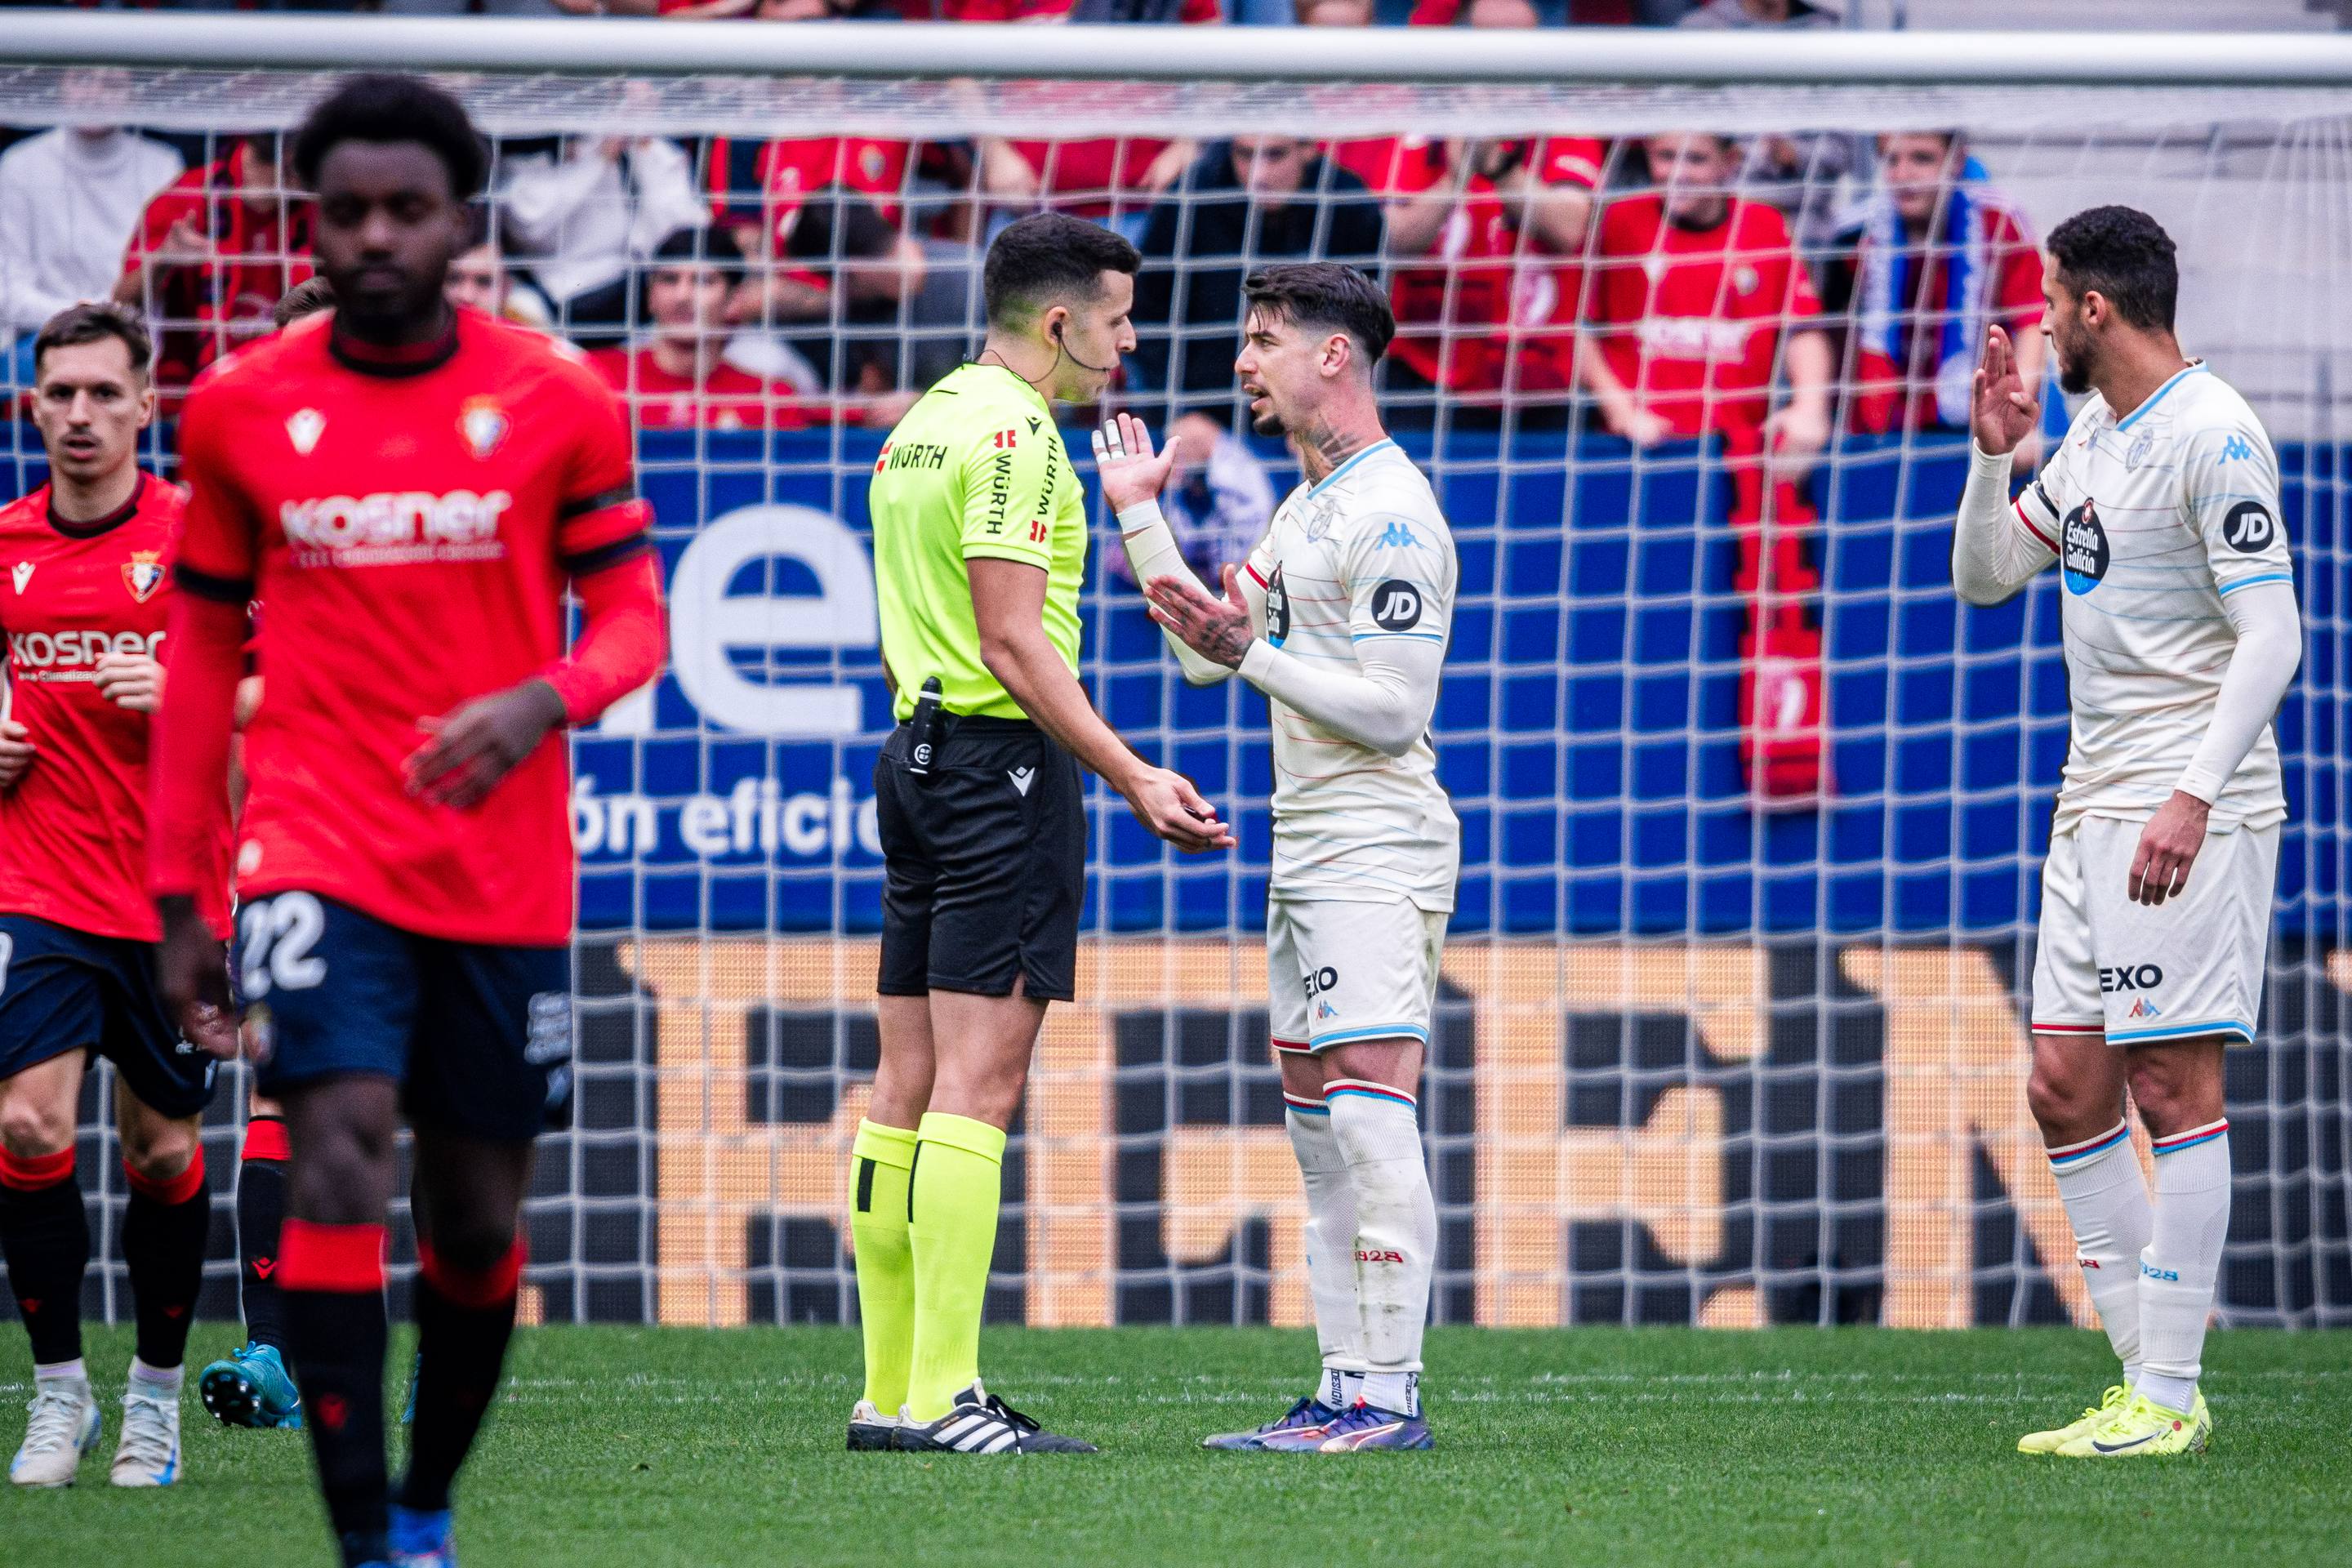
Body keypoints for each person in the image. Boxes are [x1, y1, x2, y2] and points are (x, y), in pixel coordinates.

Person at [148, 74, 666, 1567]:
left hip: (501, 868)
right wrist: (181, 891)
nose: (375, 235)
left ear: (459, 222)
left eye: (407, 209)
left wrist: (541, 700)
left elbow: (636, 617)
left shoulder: (558, 398)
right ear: (311, 225)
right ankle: (366, 1535)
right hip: (314, 843)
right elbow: (198, 657)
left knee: (479, 1218)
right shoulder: (243, 406)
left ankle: (431, 1502)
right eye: (347, 211)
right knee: (337, 1156)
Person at [853, 212, 1232, 1457]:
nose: (1130, 345)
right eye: (1118, 321)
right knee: (981, 1083)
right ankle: (951, 1396)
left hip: (912, 758)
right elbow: (1015, 642)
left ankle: (893, 1394)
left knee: (904, 1085)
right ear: (1060, 322)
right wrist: (1129, 774)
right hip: (994, 768)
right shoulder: (1015, 435)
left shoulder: (930, 418)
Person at [1951, 207, 2300, 1459]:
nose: (2037, 323)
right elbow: (1991, 576)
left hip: (2182, 801)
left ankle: (2167, 1392)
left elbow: (2275, 635)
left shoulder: (2216, 435)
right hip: (2090, 799)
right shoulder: (2098, 430)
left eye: (2047, 301)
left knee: (2168, 1082)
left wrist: (2193, 793)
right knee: (2062, 1085)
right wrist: (1994, 458)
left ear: (2095, 308)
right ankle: (2144, 1379)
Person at [1108, 262, 1458, 1454]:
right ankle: (1343, 1387)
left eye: (1264, 340)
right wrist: (1137, 512)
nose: (1244, 362)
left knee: (1369, 1123)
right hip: (1306, 850)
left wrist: (1247, 653)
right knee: (1319, 1144)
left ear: (1335, 358)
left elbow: (1393, 713)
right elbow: (1209, 653)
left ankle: (1389, 1399)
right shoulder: (1307, 507)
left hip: (1374, 845)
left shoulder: (1390, 513)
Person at [0, 302, 225, 1490]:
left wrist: (191, 690)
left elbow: (287, 688)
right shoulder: (4, 542)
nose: (80, 415)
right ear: (31, 408)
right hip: (34, 882)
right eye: (59, 396)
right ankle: (57, 1394)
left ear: (148, 406)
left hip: (172, 894)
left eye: (103, 393)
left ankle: (153, 1398)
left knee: (163, 1150)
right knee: (27, 1126)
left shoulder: (202, 540)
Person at [193, 277, 336, 1437]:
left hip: (430, 835)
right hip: (296, 838)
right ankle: (275, 1355)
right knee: (281, 1074)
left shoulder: (451, 478)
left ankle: (445, 1350)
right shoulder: (248, 492)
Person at [1824, 131, 2044, 457]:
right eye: (1891, 160)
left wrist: (2014, 408)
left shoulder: (1998, 221)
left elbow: (2032, 325)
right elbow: (1827, 332)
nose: (1903, 175)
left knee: (2025, 452)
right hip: (1875, 427)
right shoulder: (1854, 232)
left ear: (1956, 160)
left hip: (1971, 417)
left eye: (1921, 158)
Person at [0, 79, 182, 394]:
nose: (95, 93)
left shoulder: (163, 165)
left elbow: (163, 297)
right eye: (83, 79)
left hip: (136, 340)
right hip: (40, 338)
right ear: (61, 84)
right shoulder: (20, 166)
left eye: (111, 84)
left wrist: (114, 322)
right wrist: (90, 315)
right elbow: (11, 296)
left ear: (133, 93)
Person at [112, 133, 314, 394]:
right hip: (188, 394)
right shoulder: (187, 197)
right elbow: (121, 304)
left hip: (292, 389)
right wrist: (163, 259)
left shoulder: (323, 209)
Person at [587, 227, 820, 431]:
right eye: (669, 280)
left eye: (703, 281)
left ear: (733, 302)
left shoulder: (768, 400)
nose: (683, 296)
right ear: (651, 297)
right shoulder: (598, 378)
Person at [497, 127, 709, 345]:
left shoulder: (626, 145)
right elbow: (529, 221)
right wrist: (598, 160)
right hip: (555, 310)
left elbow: (684, 230)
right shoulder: (519, 156)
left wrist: (643, 141)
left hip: (639, 306)